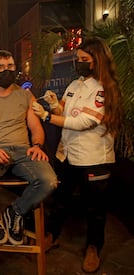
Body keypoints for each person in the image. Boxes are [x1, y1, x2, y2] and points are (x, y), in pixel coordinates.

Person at [32, 37, 123, 273]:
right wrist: (54, 105)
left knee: (95, 208)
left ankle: (94, 248)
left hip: (94, 158)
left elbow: (85, 122)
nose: (79, 63)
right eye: (78, 59)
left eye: (84, 60)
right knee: (59, 200)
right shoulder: (74, 85)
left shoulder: (103, 89)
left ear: (97, 61)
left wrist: (47, 117)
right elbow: (65, 112)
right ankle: (52, 236)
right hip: (68, 154)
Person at [0, 50, 58, 246]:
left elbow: (36, 128)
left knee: (49, 181)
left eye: (10, 66)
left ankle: (15, 211)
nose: (6, 71)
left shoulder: (25, 96)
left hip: (23, 150)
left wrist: (37, 145)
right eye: (0, 67)